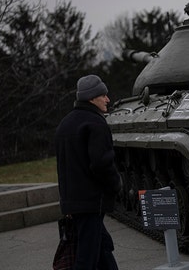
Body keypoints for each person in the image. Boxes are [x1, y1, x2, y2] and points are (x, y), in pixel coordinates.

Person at [55, 74, 122, 270]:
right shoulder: (95, 123)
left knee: (102, 248)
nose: (108, 99)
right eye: (103, 95)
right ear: (92, 98)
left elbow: (63, 169)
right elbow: (102, 164)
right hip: (91, 202)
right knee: (87, 258)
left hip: (75, 203)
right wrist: (116, 184)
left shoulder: (64, 124)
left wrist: (67, 204)